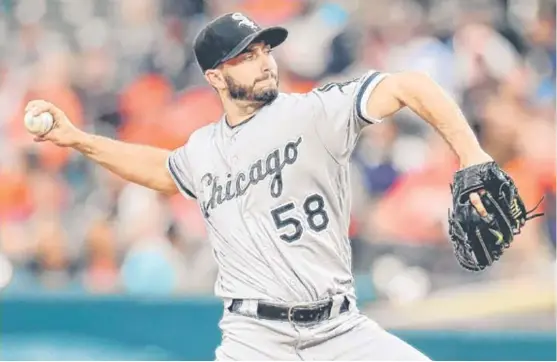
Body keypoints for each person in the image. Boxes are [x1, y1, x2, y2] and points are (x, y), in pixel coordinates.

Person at [25, 12, 494, 361]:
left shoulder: (314, 113)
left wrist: (472, 154)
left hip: (340, 330)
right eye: (245, 55)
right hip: (255, 339)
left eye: (265, 50)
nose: (263, 62)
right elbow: (163, 171)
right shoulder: (203, 149)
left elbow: (410, 84)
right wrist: (80, 140)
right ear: (215, 76)